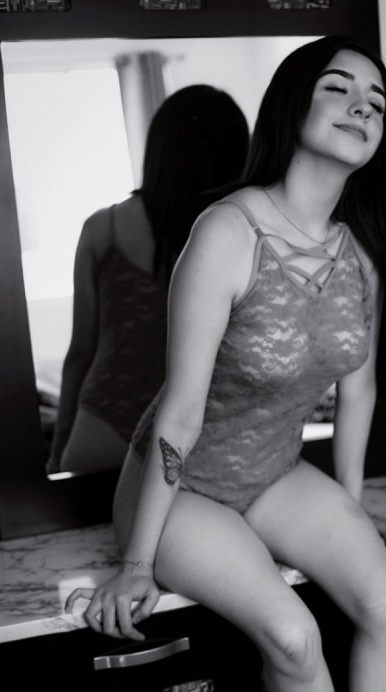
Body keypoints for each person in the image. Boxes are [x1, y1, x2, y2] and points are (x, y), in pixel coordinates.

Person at [67, 36, 386, 692]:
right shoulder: (227, 232)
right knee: (293, 633)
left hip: (273, 471)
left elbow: (356, 396)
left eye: (377, 98)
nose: (362, 104)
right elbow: (179, 414)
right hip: (181, 487)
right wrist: (136, 564)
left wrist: (352, 511)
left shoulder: (360, 256)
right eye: (338, 87)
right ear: (292, 105)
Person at [48, 86, 249, 474]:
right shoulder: (241, 234)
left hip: (105, 423)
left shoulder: (103, 228)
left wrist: (56, 456)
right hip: (201, 432)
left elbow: (80, 353)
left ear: (158, 147)